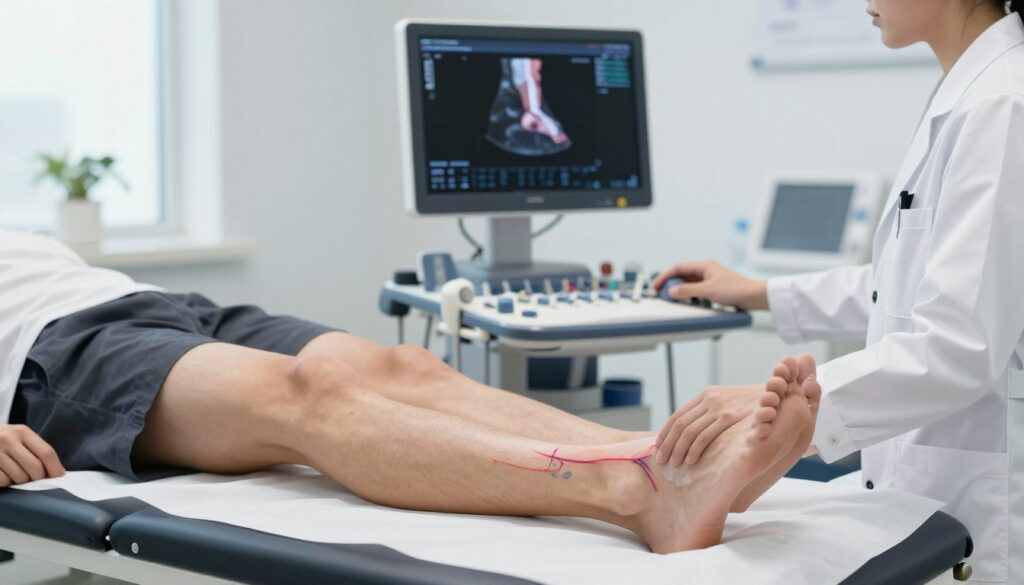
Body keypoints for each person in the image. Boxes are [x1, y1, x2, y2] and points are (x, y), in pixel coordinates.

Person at [0, 228, 821, 553]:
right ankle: (636, 492)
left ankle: (666, 457)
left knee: (407, 367)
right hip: (61, 353)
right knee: (304, 398)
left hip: (127, 296)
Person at [653, 1, 1024, 580]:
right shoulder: (969, 92)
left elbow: (960, 345)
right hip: (918, 485)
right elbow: (905, 283)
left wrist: (794, 411)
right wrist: (756, 291)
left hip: (979, 505)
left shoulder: (1003, 102)